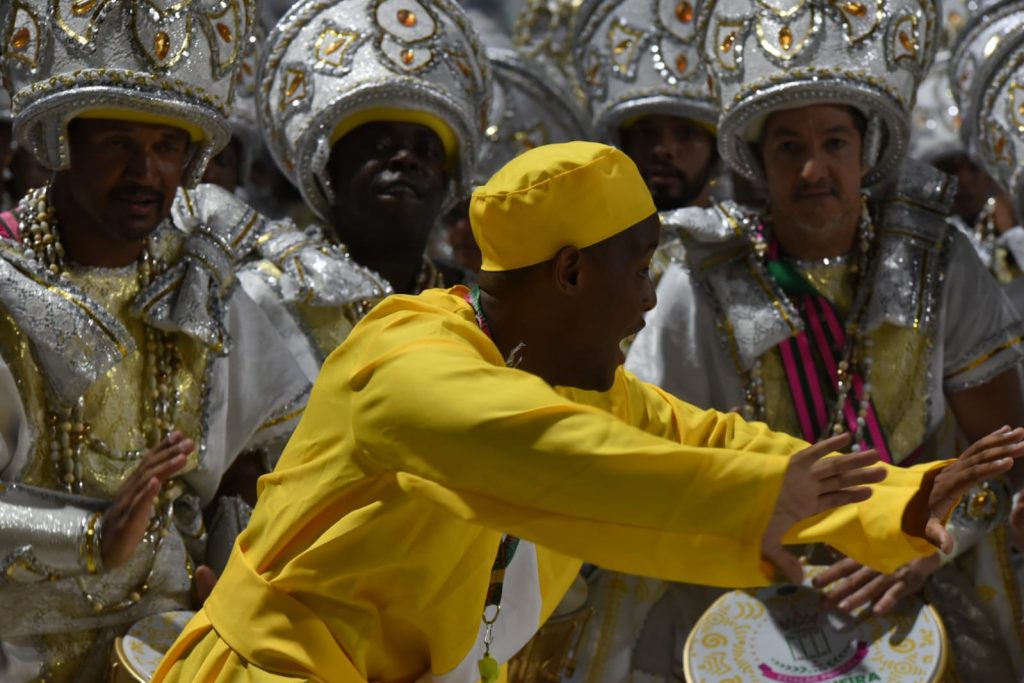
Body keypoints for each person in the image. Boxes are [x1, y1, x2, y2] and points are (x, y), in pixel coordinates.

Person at [154, 141, 1023, 683]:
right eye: (640, 268)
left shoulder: (568, 371)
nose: (650, 299)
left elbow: (701, 436)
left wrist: (901, 498)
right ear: (569, 274)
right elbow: (566, 457)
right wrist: (766, 498)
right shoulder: (410, 365)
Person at [626, 0, 1024, 679]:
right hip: (745, 581)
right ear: (758, 161)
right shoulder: (696, 281)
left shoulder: (940, 261)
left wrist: (931, 542)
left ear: (865, 152)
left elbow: (1004, 451)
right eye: (790, 147)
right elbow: (646, 459)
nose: (813, 170)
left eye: (834, 142)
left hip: (914, 581)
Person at [0, 1, 312, 680]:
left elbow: (269, 474)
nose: (146, 172)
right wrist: (89, 539)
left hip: (174, 648)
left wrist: (235, 583)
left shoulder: (210, 288)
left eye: (167, 147)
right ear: (62, 143)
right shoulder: (7, 289)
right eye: (117, 142)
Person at [257, 0, 489, 297]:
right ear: (329, 172)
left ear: (447, 185)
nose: (406, 159)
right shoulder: (269, 299)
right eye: (381, 146)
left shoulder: (478, 310)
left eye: (426, 151)